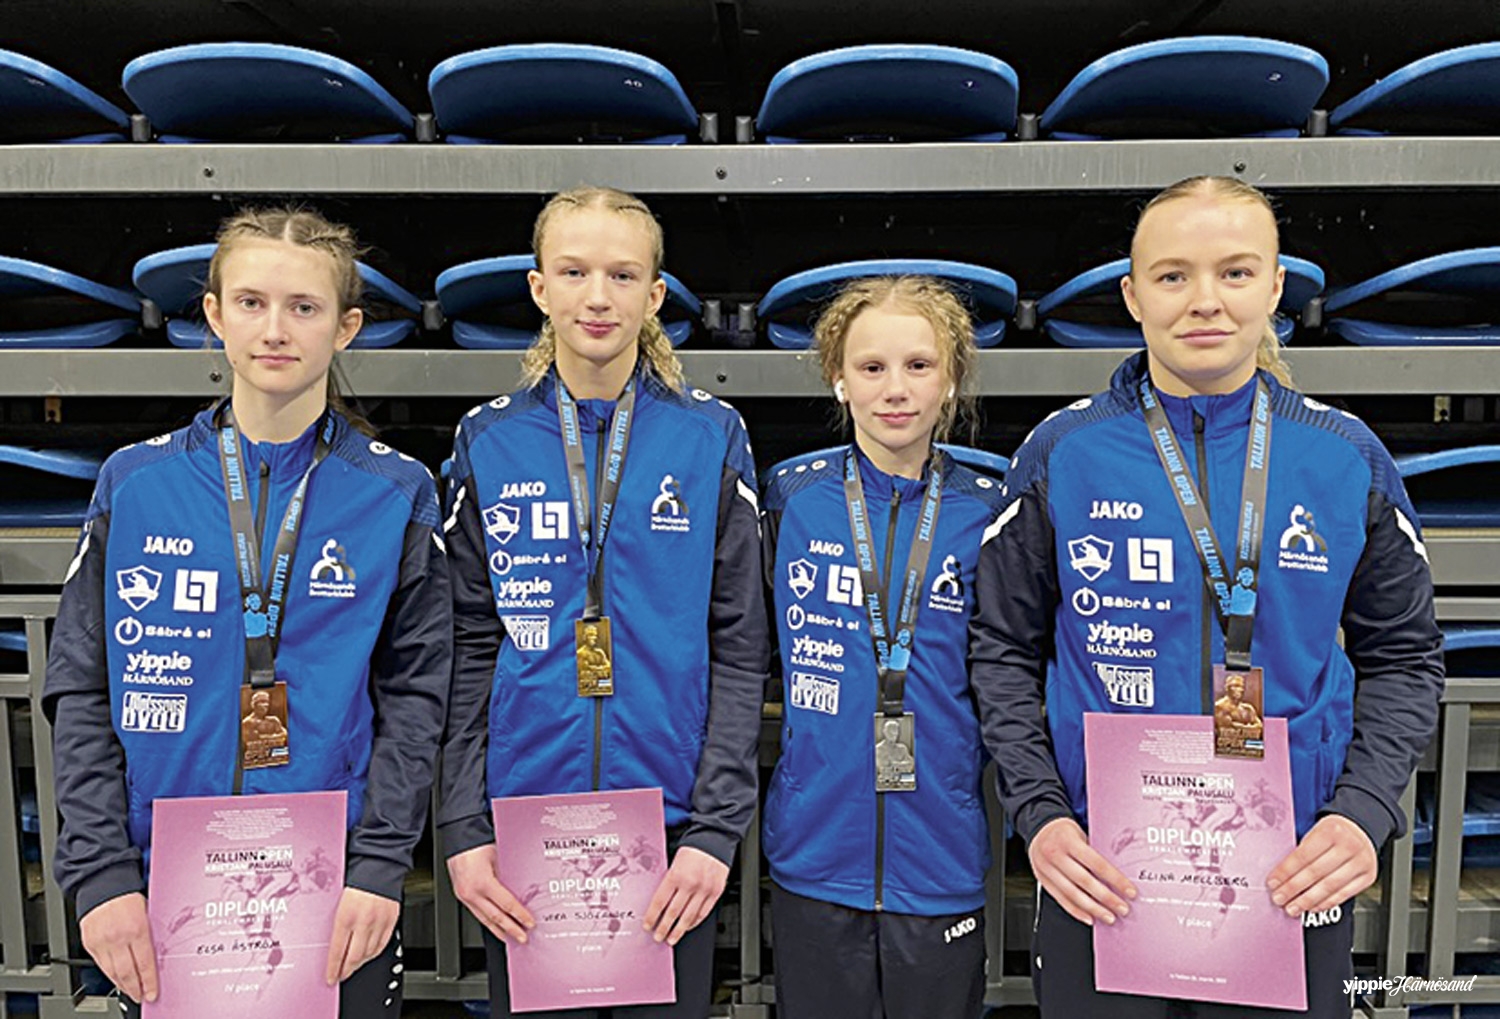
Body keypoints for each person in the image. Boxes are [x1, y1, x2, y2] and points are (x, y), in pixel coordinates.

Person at [970, 175, 1445, 1018]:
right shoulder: (1062, 452)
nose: (1204, 301)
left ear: (1274, 288)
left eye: (1234, 272)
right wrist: (1041, 815)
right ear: (1132, 294)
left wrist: (1362, 812)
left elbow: (1405, 658)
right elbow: (1002, 650)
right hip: (1105, 867)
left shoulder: (1346, 457)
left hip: (1286, 867)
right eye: (1172, 275)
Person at [43, 206, 452, 1018]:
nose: (276, 328)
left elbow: (416, 700)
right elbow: (80, 690)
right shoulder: (133, 484)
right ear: (214, 315)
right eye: (252, 302)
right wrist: (101, 874)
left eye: (305, 307)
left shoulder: (397, 492)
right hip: (164, 893)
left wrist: (376, 866)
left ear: (347, 328)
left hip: (330, 893)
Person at [439, 185, 769, 1018]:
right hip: (525, 832)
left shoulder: (711, 436)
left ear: (655, 296)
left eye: (623, 275)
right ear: (538, 287)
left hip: (668, 836)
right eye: (573, 271)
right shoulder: (486, 439)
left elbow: (739, 643)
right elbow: (469, 645)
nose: (597, 296)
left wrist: (714, 830)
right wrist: (464, 826)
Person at [761, 276, 1002, 1018]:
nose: (895, 389)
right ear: (837, 377)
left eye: (919, 365)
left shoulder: (990, 514)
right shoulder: (789, 499)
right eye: (871, 367)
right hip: (811, 856)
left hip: (941, 858)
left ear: (952, 378)